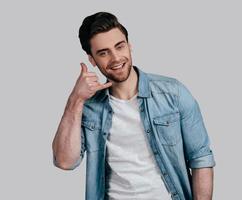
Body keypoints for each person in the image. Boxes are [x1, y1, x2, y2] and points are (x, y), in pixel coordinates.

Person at [52, 11, 216, 200]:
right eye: (103, 53)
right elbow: (65, 161)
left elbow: (201, 158)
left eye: (119, 47)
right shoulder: (88, 107)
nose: (115, 58)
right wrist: (75, 100)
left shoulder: (174, 94)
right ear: (92, 60)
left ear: (129, 46)